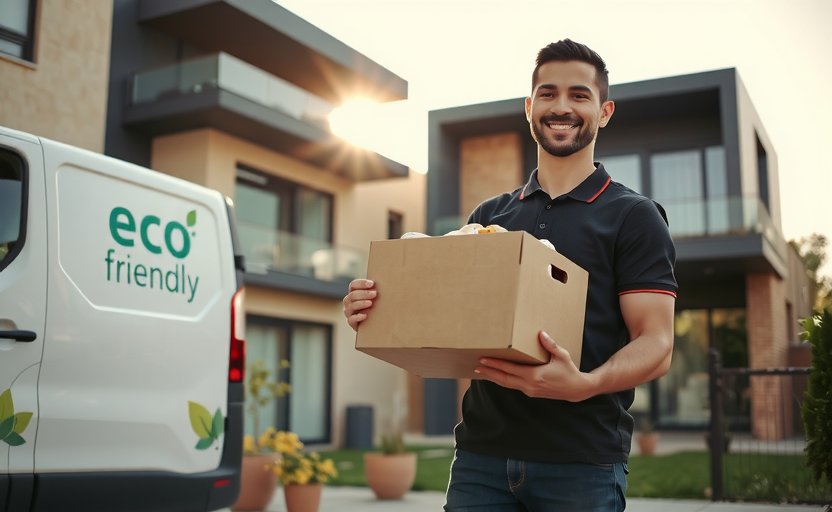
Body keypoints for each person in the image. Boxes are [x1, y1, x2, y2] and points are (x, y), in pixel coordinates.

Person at [343, 38, 677, 512]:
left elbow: (656, 343)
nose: (561, 106)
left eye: (579, 95)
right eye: (548, 93)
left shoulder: (633, 216)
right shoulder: (490, 216)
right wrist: (375, 305)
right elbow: (450, 322)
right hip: (481, 460)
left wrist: (584, 383)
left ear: (604, 112)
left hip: (581, 464)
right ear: (529, 107)